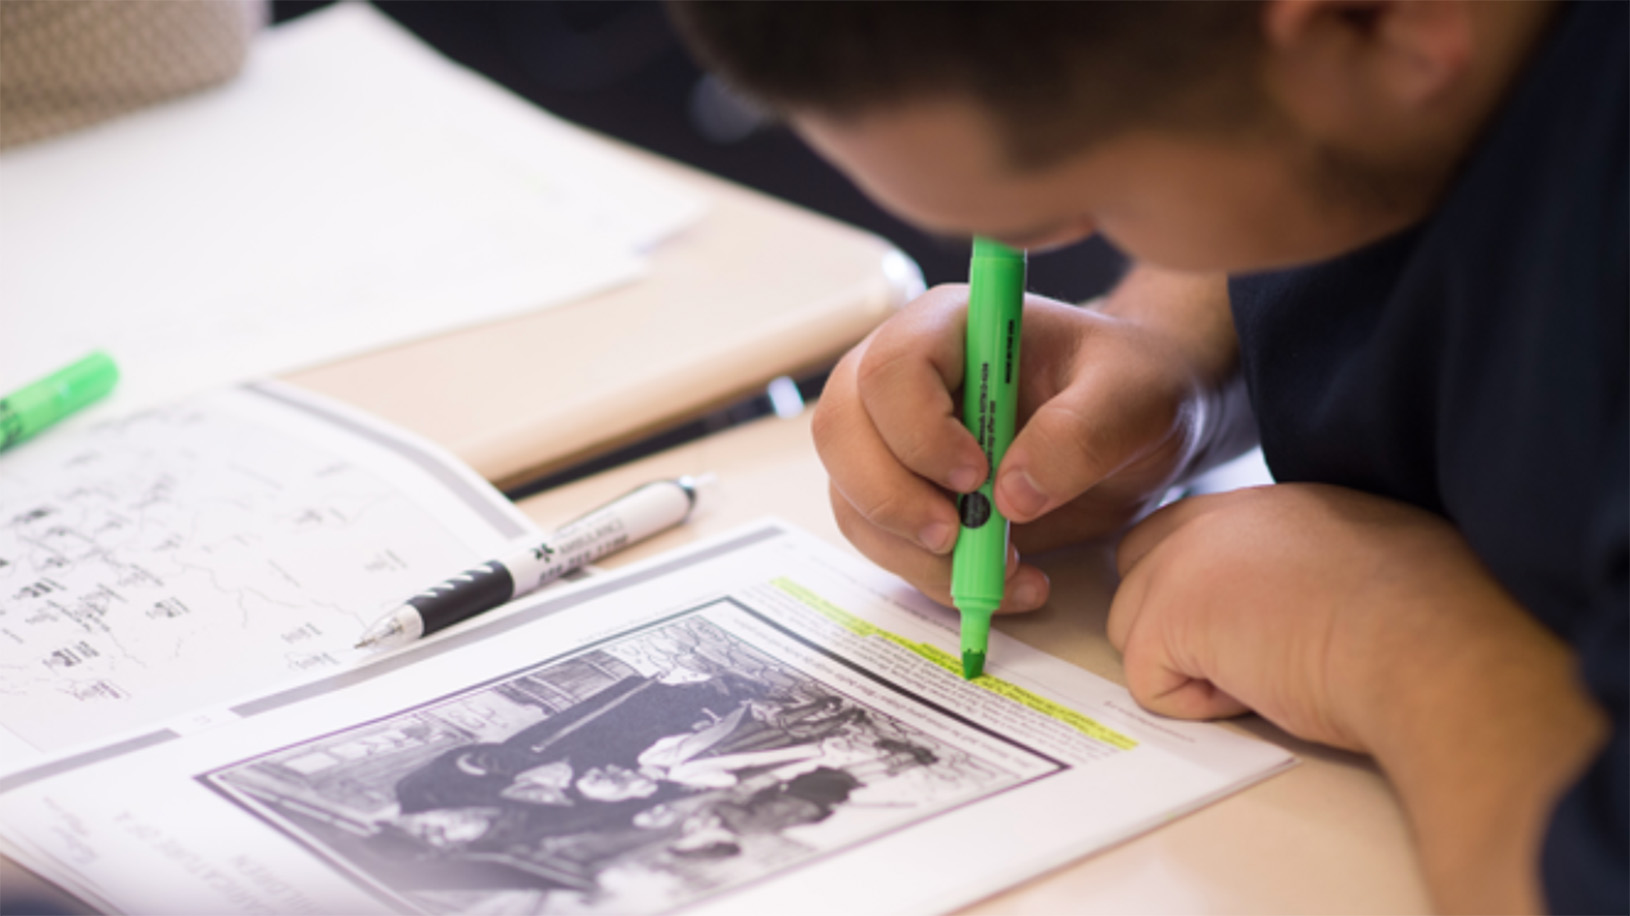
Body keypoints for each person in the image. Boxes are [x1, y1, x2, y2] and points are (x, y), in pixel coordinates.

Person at [666, 2, 1626, 913]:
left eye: (1094, 200)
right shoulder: (1362, 64)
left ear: (1384, 22)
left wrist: (1387, 633)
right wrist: (1169, 356)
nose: (1058, 249)